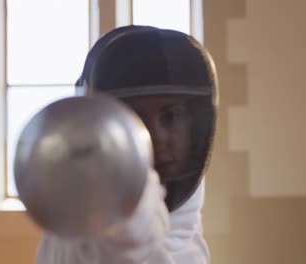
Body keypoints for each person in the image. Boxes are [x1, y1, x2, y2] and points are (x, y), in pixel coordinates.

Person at [36, 25, 218, 263]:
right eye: (134, 118)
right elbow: (121, 244)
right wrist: (122, 216)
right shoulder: (79, 230)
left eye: (171, 116)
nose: (157, 137)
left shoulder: (187, 229)